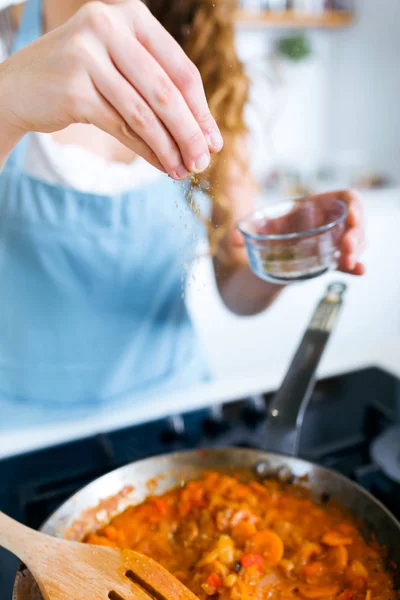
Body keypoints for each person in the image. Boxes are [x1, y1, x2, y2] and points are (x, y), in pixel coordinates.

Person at [0, 0, 365, 416]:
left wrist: (284, 250)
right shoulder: (6, 51)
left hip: (174, 414)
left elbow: (238, 288)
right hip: (21, 429)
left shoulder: (208, 64)